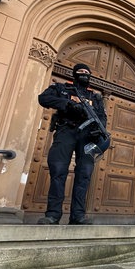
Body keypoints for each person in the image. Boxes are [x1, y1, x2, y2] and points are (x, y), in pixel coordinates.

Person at [37, 63, 107, 225]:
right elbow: (43, 98)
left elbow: (102, 117)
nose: (84, 74)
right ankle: (53, 214)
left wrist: (100, 131)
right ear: (74, 73)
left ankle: (78, 215)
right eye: (81, 71)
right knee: (58, 170)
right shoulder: (62, 89)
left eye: (87, 72)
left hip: (87, 136)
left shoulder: (95, 97)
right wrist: (67, 104)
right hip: (66, 131)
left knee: (84, 175)